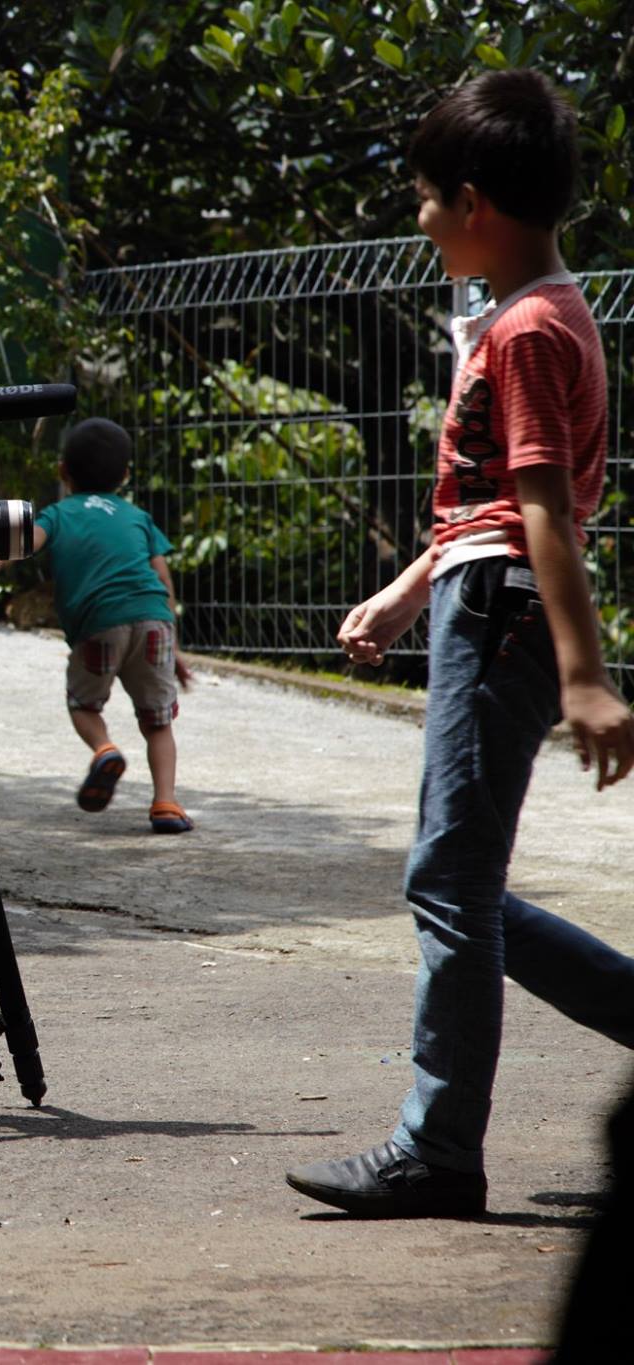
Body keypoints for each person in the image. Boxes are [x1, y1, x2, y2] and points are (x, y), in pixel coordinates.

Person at [286, 70, 634, 1218]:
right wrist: (399, 593)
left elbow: (542, 513)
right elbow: (486, 506)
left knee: (449, 881)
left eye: (426, 198)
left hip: (498, 615)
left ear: (472, 202)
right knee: (456, 882)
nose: (419, 217)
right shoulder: (534, 311)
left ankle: (436, 1152)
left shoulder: (528, 327)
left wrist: (585, 677)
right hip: (474, 596)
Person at [30, 417, 194, 833]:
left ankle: (104, 749)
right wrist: (172, 645)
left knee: (84, 704)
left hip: (99, 624)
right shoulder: (138, 517)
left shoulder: (58, 514)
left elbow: (24, 543)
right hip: (155, 620)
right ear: (125, 474)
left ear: (62, 470)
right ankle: (166, 804)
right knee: (158, 720)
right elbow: (163, 578)